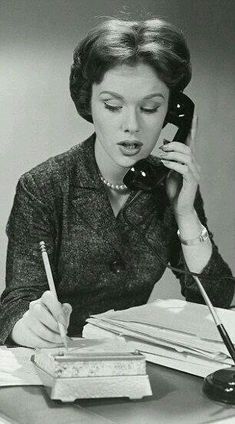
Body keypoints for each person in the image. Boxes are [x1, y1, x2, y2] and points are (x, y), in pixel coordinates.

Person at [0, 17, 234, 348]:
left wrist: (185, 213)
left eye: (151, 108)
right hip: (60, 360)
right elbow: (16, 302)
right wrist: (30, 325)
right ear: (90, 104)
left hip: (137, 361)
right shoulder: (42, 187)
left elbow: (220, 298)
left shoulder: (171, 185)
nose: (132, 125)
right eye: (112, 106)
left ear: (172, 111)